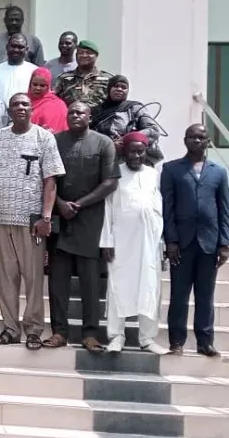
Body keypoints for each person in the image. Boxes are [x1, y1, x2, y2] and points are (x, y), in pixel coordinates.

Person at [0, 93, 65, 350]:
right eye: (15, 105)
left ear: (32, 109)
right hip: (1, 217)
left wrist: (45, 216)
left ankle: (33, 330)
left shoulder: (44, 138)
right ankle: (11, 328)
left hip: (32, 220)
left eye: (24, 104)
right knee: (5, 279)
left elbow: (50, 181)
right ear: (8, 110)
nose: (20, 108)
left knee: (32, 279)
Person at [46, 102, 120, 351]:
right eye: (71, 112)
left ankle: (90, 334)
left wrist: (77, 204)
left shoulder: (103, 143)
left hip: (90, 222)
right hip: (59, 220)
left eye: (80, 112)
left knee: (90, 283)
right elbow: (44, 178)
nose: (75, 115)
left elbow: (110, 182)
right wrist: (59, 204)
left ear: (90, 117)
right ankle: (59, 332)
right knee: (57, 283)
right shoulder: (55, 141)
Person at [162, 123, 229, 357]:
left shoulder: (219, 172)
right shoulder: (171, 169)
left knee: (205, 295)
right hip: (181, 243)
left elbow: (224, 210)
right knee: (179, 295)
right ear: (185, 140)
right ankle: (177, 341)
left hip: (209, 243)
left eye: (201, 137)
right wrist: (170, 240)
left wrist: (224, 244)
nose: (197, 141)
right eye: (192, 137)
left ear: (208, 141)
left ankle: (205, 341)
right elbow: (167, 208)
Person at [101, 132, 167, 354]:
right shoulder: (115, 173)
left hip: (149, 243)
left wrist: (162, 242)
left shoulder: (152, 174)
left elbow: (158, 206)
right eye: (132, 151)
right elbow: (108, 208)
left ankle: (147, 339)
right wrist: (106, 241)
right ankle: (116, 337)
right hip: (121, 242)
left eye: (141, 151)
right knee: (118, 287)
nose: (137, 155)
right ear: (125, 151)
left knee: (149, 288)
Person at [90, 74, 163, 164]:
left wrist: (127, 140)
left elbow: (153, 130)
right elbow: (88, 136)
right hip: (103, 161)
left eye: (123, 87)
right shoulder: (96, 111)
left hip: (131, 162)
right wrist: (110, 145)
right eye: (116, 86)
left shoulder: (135, 108)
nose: (119, 89)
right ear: (109, 88)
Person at [54, 40, 114, 108]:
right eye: (80, 52)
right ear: (76, 56)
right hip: (72, 117)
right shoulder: (64, 78)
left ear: (96, 56)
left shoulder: (108, 79)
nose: (84, 55)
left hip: (101, 118)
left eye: (88, 53)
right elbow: (54, 102)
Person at [0, 33, 37, 106]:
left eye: (20, 47)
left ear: (27, 49)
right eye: (13, 46)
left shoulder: (35, 71)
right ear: (6, 47)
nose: (16, 50)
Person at [27, 67, 67, 132]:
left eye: (42, 85)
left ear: (48, 86)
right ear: (30, 84)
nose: (38, 88)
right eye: (35, 84)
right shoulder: (23, 101)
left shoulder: (57, 104)